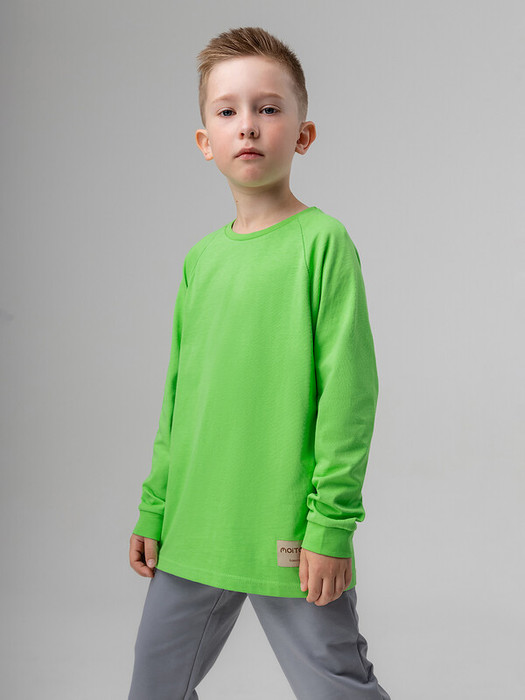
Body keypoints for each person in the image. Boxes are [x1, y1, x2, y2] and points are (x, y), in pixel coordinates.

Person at [128, 25, 391, 700]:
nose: (247, 125)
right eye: (228, 111)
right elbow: (178, 397)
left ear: (303, 134)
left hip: (290, 532)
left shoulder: (322, 244)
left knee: (335, 688)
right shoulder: (201, 260)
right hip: (193, 529)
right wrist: (155, 509)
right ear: (205, 142)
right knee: (153, 688)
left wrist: (330, 525)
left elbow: (348, 396)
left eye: (268, 108)